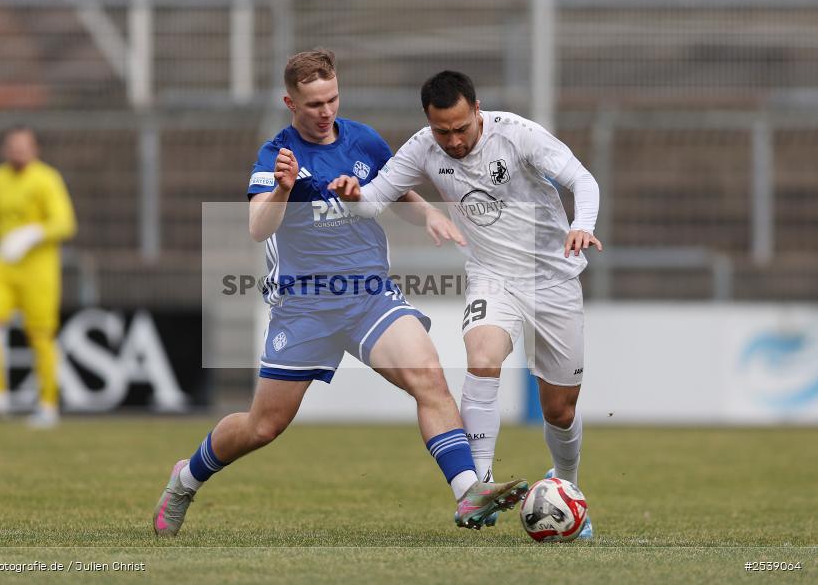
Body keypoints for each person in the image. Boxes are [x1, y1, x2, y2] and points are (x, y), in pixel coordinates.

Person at [153, 51, 528, 537]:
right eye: (313, 104)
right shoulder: (277, 154)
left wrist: (430, 215)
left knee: (429, 378)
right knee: (263, 426)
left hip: (369, 295)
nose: (325, 111)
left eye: (331, 99)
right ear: (290, 102)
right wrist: (283, 190)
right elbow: (257, 227)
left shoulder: (363, 139)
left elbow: (396, 191)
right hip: (304, 306)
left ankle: (467, 491)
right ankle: (185, 480)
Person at [329, 70, 603, 539]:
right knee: (482, 358)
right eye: (443, 131)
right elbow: (374, 200)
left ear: (477, 110)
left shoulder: (517, 136)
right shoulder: (422, 147)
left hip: (553, 280)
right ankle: (480, 486)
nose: (453, 140)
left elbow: (582, 178)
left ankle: (567, 485)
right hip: (491, 277)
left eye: (461, 128)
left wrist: (582, 224)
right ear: (428, 121)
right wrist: (353, 196)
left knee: (560, 410)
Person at [0, 125, 77, 429]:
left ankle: (48, 406)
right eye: (12, 146)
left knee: (41, 338)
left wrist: (32, 234)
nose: (17, 152)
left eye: (23, 147)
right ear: (4, 149)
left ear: (35, 149)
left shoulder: (47, 179)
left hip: (39, 272)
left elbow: (65, 223)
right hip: (3, 269)